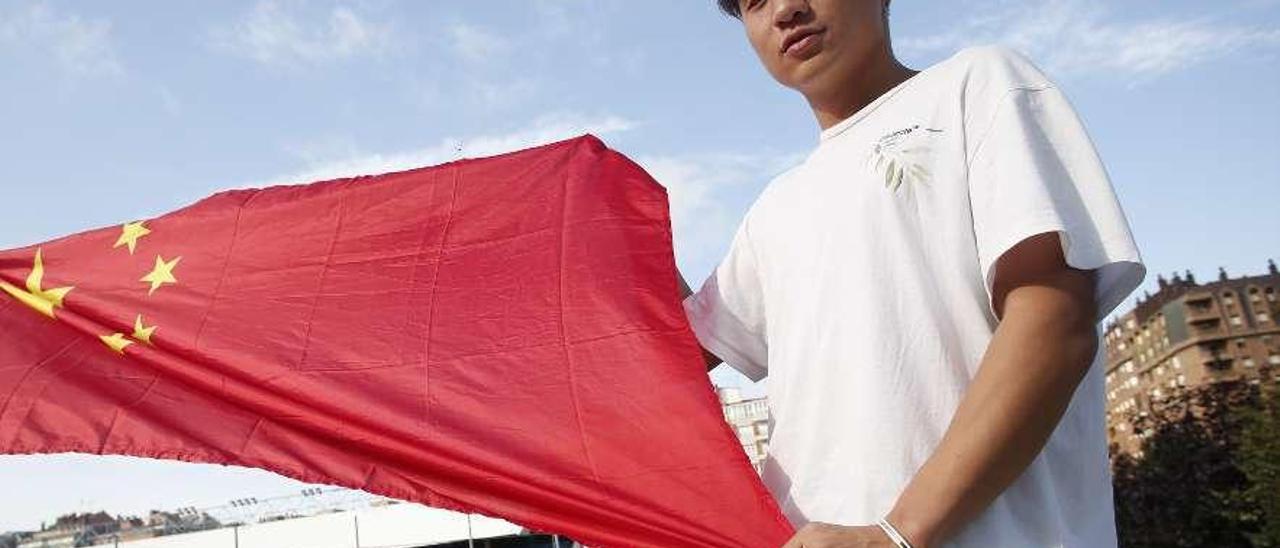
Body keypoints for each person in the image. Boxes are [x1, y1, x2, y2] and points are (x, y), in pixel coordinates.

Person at [676, 1, 1146, 546]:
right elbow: (667, 354)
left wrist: (896, 533)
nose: (786, 10)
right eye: (755, 0)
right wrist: (597, 213)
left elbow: (1053, 320)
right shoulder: (773, 210)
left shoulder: (978, 85)